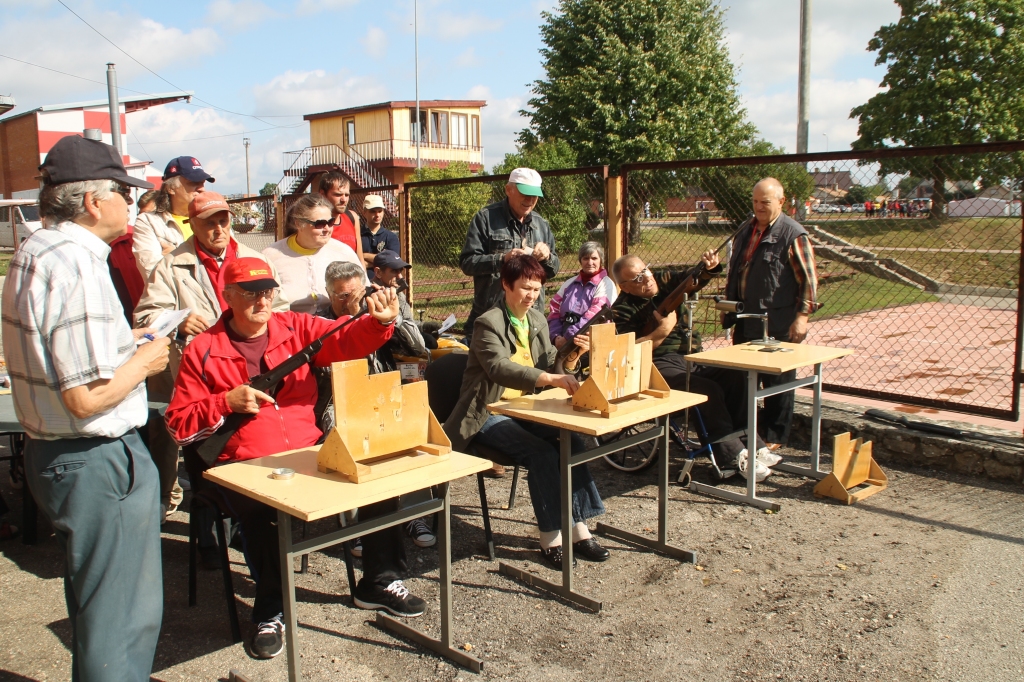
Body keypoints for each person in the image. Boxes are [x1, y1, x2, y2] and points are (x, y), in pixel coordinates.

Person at [165, 257, 425, 660]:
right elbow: (178, 424)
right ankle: (271, 607)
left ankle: (379, 580)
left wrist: (379, 323)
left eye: (267, 291)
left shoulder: (296, 326)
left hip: (308, 450)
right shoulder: (202, 350)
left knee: (377, 480)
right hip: (242, 465)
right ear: (227, 296)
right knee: (262, 514)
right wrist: (225, 401)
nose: (261, 300)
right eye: (249, 292)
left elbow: (346, 339)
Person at [1, 135, 170, 680]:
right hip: (96, 457)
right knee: (122, 621)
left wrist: (127, 342)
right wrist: (145, 362)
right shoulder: (78, 264)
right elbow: (85, 398)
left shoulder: (36, 252)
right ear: (95, 201)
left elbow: (67, 361)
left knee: (101, 611)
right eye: (124, 192)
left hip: (59, 454)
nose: (133, 203)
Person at [444, 254, 609, 570]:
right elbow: (499, 368)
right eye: (525, 288)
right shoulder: (486, 322)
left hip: (525, 407)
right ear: (506, 285)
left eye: (536, 289)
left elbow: (550, 362)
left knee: (571, 442)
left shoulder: (535, 319)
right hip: (487, 412)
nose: (531, 295)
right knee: (542, 454)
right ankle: (550, 537)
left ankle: (578, 528)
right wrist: (551, 378)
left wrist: (574, 353)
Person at [134, 190, 288, 528]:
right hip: (199, 372)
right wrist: (176, 320)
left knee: (251, 439)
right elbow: (145, 318)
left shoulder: (256, 258)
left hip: (252, 365)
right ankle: (207, 532)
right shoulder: (172, 264)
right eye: (209, 223)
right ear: (192, 225)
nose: (218, 229)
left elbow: (281, 308)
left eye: (223, 220)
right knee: (204, 449)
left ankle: (258, 516)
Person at [611, 253, 773, 480]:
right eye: (636, 278)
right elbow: (626, 352)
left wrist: (709, 268)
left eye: (645, 270)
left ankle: (751, 444)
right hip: (657, 365)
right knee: (706, 390)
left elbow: (691, 278)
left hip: (692, 356)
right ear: (624, 288)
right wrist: (660, 333)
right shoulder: (621, 311)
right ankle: (732, 456)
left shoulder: (664, 279)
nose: (646, 278)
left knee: (739, 374)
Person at [319, 257, 436, 549]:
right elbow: (324, 369)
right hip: (339, 397)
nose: (351, 300)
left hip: (385, 388)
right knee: (340, 428)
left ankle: (413, 513)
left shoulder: (388, 302)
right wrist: (354, 322)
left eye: (356, 293)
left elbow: (418, 350)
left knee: (411, 421)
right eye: (343, 296)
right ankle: (357, 524)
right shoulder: (319, 318)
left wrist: (384, 320)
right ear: (330, 294)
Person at [724, 177, 820, 451]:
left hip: (777, 323)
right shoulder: (746, 229)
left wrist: (802, 317)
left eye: (765, 202)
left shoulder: (794, 234)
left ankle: (774, 436)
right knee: (742, 382)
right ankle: (745, 432)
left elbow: (809, 280)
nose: (759, 207)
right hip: (745, 320)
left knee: (779, 383)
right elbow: (737, 272)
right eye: (755, 202)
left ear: (781, 201)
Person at [460, 167, 559, 335]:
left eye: (534, 195)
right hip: (493, 315)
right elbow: (467, 263)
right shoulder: (486, 219)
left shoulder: (541, 225)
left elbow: (554, 269)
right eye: (525, 194)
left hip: (530, 317)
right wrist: (502, 259)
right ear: (508, 190)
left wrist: (548, 257)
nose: (530, 200)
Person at [262, 193, 365, 315]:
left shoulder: (343, 252)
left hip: (338, 327)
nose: (327, 229)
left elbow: (364, 290)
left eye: (330, 222)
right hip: (291, 329)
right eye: (319, 224)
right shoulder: (270, 256)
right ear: (299, 224)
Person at [133, 155, 215, 281]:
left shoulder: (215, 218)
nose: (201, 189)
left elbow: (231, 263)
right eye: (193, 183)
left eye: (202, 183)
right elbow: (153, 274)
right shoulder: (148, 222)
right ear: (170, 188)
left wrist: (175, 256)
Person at [547, 241, 617, 346]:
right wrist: (555, 336)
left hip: (591, 338)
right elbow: (554, 308)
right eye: (585, 258)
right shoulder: (569, 283)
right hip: (562, 336)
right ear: (580, 261)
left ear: (601, 260)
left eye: (594, 258)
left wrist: (568, 338)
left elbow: (597, 314)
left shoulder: (606, 284)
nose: (589, 262)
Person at [318, 170, 366, 265]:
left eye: (347, 195)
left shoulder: (352, 217)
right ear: (322, 194)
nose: (344, 199)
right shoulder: (315, 223)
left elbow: (360, 259)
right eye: (338, 194)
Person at [360, 194, 400, 277]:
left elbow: (392, 261)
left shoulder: (391, 237)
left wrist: (363, 255)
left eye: (380, 211)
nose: (377, 215)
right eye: (373, 211)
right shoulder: (357, 235)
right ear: (364, 212)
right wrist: (381, 261)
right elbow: (351, 261)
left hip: (384, 285)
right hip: (361, 283)